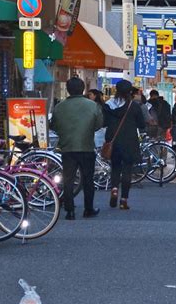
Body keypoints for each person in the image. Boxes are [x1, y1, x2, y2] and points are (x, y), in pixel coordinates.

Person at [51, 77, 103, 220]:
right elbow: (99, 124)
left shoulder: (59, 107)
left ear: (68, 89)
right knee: (88, 179)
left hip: (67, 147)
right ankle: (88, 209)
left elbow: (54, 126)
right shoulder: (92, 106)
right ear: (83, 89)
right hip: (86, 146)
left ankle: (70, 211)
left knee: (68, 180)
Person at [104, 79, 145, 210]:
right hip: (129, 141)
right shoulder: (134, 106)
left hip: (113, 140)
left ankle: (115, 189)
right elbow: (141, 124)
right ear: (129, 92)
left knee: (115, 167)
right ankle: (124, 199)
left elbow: (103, 122)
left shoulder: (108, 105)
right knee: (127, 169)